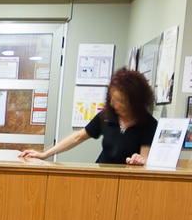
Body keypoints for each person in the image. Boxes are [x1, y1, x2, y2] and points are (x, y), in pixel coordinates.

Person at [22, 67, 158, 166]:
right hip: (101, 176)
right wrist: (44, 154)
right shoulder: (106, 116)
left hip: (127, 181)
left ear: (134, 101)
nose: (113, 104)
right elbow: (78, 137)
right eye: (112, 98)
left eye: (119, 101)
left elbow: (144, 158)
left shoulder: (148, 124)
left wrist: (138, 161)